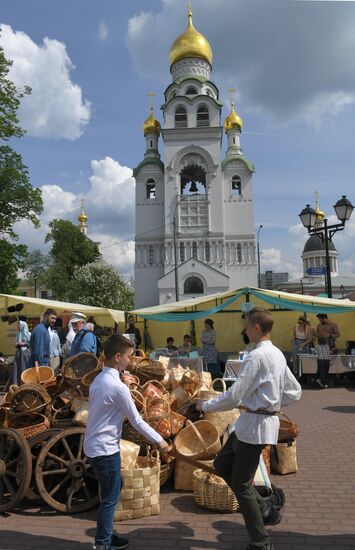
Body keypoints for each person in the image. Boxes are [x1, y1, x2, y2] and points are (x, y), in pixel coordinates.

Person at [197, 307, 302, 550]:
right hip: (251, 424)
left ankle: (261, 541)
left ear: (256, 327)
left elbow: (234, 396)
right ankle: (265, 507)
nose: (244, 330)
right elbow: (295, 391)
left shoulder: (256, 356)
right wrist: (271, 404)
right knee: (222, 464)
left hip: (254, 426)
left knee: (242, 485)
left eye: (246, 325)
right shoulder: (276, 353)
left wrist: (207, 404)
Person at [83, 334, 169, 550]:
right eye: (129, 357)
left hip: (94, 445)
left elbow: (109, 406)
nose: (131, 361)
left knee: (114, 487)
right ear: (118, 357)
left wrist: (124, 381)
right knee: (110, 497)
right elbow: (137, 421)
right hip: (105, 448)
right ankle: (103, 543)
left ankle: (108, 535)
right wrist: (160, 441)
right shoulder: (117, 387)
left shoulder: (99, 380)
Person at [13, 320, 31, 384]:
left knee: (25, 368)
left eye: (19, 325)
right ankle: (18, 383)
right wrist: (17, 344)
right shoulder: (18, 334)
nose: (18, 326)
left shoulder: (28, 334)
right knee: (18, 368)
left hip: (26, 354)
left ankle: (26, 383)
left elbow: (31, 344)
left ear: (23, 326)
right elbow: (16, 343)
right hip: (19, 354)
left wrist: (24, 344)